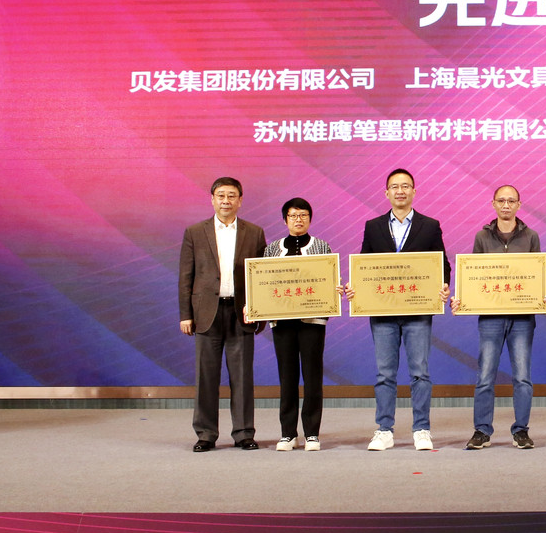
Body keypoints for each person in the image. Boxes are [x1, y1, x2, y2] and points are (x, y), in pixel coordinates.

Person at [349, 168, 451, 452]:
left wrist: (443, 284)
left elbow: (442, 264)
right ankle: (384, 430)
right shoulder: (374, 226)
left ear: (414, 191)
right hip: (383, 312)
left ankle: (422, 429)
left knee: (420, 373)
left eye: (406, 186)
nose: (400, 191)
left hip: (418, 311)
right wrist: (357, 288)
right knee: (385, 374)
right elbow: (364, 265)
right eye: (395, 186)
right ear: (387, 193)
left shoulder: (430, 225)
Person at [451, 184, 546, 450]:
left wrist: (543, 297)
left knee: (522, 377)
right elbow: (473, 277)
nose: (506, 205)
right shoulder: (482, 237)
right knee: (485, 375)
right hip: (490, 317)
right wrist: (463, 299)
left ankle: (521, 430)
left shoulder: (531, 236)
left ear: (519, 205)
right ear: (493, 204)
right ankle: (482, 431)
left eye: (511, 201)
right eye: (501, 200)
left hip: (522, 318)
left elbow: (536, 276)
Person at [178, 177, 267, 452]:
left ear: (240, 200)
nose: (226, 201)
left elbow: (261, 276)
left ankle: (244, 433)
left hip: (242, 313)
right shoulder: (195, 232)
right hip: (206, 313)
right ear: (212, 199)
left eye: (231, 196)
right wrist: (185, 315)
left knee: (242, 377)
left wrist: (260, 310)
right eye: (221, 196)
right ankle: (206, 434)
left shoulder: (255, 232)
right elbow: (186, 277)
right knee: (206, 377)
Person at [265, 197, 334, 453]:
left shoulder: (322, 246)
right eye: (293, 215)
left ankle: (312, 433)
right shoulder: (272, 249)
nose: (298, 220)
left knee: (313, 376)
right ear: (285, 220)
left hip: (312, 321)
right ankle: (288, 434)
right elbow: (264, 283)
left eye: (303, 215)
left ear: (310, 219)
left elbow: (329, 280)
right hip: (282, 321)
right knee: (287, 377)